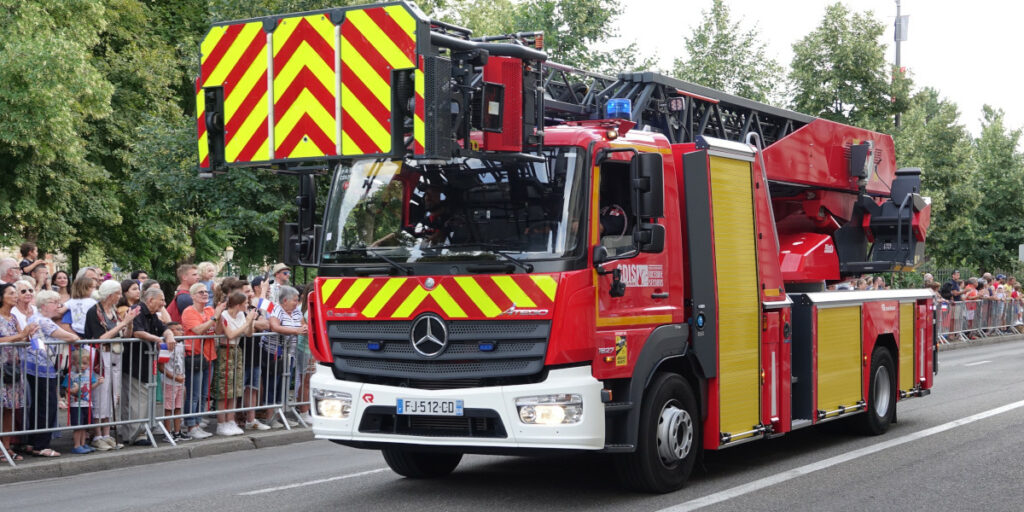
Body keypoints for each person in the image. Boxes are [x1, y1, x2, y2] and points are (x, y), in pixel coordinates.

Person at [21, 290, 78, 458]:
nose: (58, 307)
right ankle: (41, 445)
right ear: (44, 305)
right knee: (47, 406)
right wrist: (76, 337)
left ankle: (32, 442)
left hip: (35, 366)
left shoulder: (34, 318)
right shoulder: (43, 321)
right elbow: (69, 336)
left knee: (38, 406)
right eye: (55, 303)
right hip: (43, 368)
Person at [83, 280, 137, 451]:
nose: (120, 296)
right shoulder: (94, 312)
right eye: (118, 293)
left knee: (113, 394)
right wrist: (122, 323)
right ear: (110, 294)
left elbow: (125, 335)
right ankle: (97, 434)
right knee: (101, 394)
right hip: (101, 356)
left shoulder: (113, 311)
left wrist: (129, 323)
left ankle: (107, 433)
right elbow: (101, 338)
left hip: (115, 355)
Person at [122, 288, 177, 445]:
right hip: (135, 362)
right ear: (151, 300)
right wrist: (158, 340)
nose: (163, 303)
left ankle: (138, 432)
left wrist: (169, 335)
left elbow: (163, 328)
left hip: (145, 362)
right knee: (137, 400)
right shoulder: (136, 310)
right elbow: (138, 333)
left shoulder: (152, 315)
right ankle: (137, 434)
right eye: (161, 300)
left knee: (141, 398)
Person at [180, 282, 224, 439]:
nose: (205, 294)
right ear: (192, 296)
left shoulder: (209, 310)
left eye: (206, 292)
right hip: (195, 357)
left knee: (204, 394)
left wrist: (217, 317)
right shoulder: (189, 312)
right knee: (194, 393)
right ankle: (191, 425)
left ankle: (198, 422)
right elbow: (199, 330)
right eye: (200, 292)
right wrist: (214, 317)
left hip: (209, 356)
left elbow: (217, 331)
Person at [0, 283, 37, 461]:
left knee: (9, 409)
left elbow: (23, 340)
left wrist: (29, 333)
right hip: (1, 368)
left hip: (13, 368)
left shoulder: (13, 318)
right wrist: (20, 336)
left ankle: (5, 448)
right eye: (12, 293)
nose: (16, 296)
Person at [214, 291, 256, 436]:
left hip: (236, 351)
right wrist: (247, 323)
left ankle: (230, 420)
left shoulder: (241, 315)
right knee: (224, 389)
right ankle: (221, 422)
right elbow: (230, 334)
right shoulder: (224, 315)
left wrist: (249, 322)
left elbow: (249, 334)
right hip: (225, 351)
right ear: (238, 304)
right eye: (245, 303)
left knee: (235, 388)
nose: (247, 305)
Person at [264, 285, 304, 428]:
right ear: (285, 300)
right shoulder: (276, 309)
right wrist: (296, 331)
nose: (297, 302)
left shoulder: (296, 313)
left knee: (284, 385)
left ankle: (280, 415)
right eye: (295, 300)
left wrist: (302, 328)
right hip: (275, 354)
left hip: (290, 354)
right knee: (273, 384)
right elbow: (274, 326)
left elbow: (302, 326)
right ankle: (270, 417)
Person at [241, 279, 271, 430]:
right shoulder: (236, 309)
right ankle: (233, 419)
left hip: (255, 352)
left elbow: (265, 324)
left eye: (250, 292)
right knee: (238, 388)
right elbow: (239, 324)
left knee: (253, 386)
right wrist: (249, 324)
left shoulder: (253, 307)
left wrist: (249, 324)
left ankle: (251, 419)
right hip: (241, 352)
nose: (250, 294)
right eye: (247, 291)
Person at [64, 349, 101, 454]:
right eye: (79, 363)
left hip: (87, 403)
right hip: (76, 405)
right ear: (74, 363)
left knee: (85, 425)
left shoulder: (89, 374)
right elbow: (67, 389)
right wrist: (72, 390)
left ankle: (83, 443)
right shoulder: (70, 375)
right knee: (78, 426)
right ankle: (76, 445)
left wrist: (98, 383)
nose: (82, 366)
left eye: (85, 363)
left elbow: (90, 387)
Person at [161, 322, 188, 442]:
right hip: (170, 381)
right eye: (178, 330)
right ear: (171, 331)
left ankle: (177, 431)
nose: (182, 332)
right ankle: (168, 432)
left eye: (182, 330)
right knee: (168, 408)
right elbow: (161, 367)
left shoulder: (181, 345)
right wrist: (173, 377)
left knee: (178, 406)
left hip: (180, 380)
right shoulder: (165, 345)